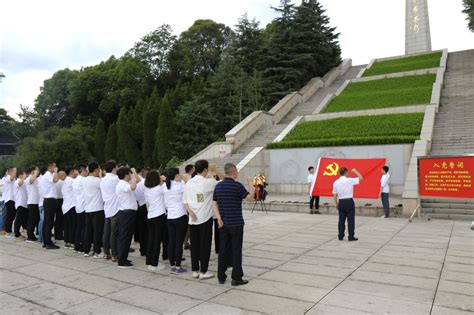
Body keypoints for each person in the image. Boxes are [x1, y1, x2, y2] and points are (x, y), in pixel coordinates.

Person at [213, 163, 254, 286]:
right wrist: (251, 184)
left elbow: (214, 203)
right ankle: (236, 278)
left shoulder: (219, 186)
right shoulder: (237, 186)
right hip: (236, 223)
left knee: (223, 249)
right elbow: (250, 198)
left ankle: (221, 276)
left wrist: (219, 218)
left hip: (223, 223)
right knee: (236, 250)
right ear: (234, 172)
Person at [183, 160, 224, 280]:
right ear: (205, 170)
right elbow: (224, 180)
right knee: (205, 245)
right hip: (205, 218)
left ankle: (195, 270)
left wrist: (191, 213)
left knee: (194, 245)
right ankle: (203, 271)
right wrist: (215, 170)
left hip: (193, 219)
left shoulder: (189, 183)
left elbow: (184, 201)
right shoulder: (208, 183)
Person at [163, 168, 188, 275]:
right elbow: (188, 182)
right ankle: (178, 266)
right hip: (180, 216)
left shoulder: (165, 186)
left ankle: (172, 265)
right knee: (179, 242)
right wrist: (182, 177)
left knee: (172, 242)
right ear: (177, 175)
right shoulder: (181, 186)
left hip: (170, 217)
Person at [115, 167, 140, 268]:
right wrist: (133, 173)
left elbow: (137, 182)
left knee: (127, 237)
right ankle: (122, 261)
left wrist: (133, 174)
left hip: (128, 213)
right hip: (126, 213)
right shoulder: (122, 184)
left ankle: (123, 257)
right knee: (125, 237)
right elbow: (133, 187)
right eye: (129, 174)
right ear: (126, 175)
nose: (131, 176)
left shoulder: (124, 184)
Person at [143, 169, 167, 271]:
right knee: (157, 240)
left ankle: (149, 261)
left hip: (151, 216)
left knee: (151, 240)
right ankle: (154, 264)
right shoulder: (160, 188)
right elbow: (167, 187)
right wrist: (164, 180)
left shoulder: (146, 189)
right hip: (159, 215)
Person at [332, 167, 363, 241]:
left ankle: (340, 235)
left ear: (340, 173)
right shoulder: (350, 180)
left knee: (341, 220)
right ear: (346, 173)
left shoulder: (336, 182)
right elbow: (361, 178)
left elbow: (334, 194)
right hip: (349, 201)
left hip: (341, 202)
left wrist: (336, 204)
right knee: (351, 220)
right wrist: (355, 171)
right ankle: (351, 236)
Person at [82, 161, 105, 258]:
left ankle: (86, 250)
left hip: (88, 209)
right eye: (99, 169)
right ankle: (97, 251)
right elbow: (103, 186)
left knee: (88, 231)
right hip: (97, 209)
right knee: (97, 231)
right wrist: (100, 176)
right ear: (96, 170)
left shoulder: (85, 180)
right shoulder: (97, 181)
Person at [100, 160, 120, 262]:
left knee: (106, 232)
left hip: (107, 207)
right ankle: (114, 254)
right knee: (114, 233)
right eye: (116, 168)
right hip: (115, 208)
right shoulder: (116, 179)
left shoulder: (102, 180)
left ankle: (106, 253)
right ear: (113, 169)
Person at [42, 162, 59, 249]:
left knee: (47, 222)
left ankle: (46, 241)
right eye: (54, 167)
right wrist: (56, 172)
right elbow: (56, 180)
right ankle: (48, 242)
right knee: (49, 222)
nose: (55, 168)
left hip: (48, 200)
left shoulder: (47, 175)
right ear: (50, 167)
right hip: (50, 200)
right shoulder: (48, 175)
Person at [134, 167, 150, 257]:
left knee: (142, 230)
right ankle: (147, 250)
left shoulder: (138, 184)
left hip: (140, 207)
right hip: (147, 208)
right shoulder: (147, 184)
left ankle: (142, 250)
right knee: (147, 231)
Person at [73, 164, 88, 253]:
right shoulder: (84, 180)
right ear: (83, 170)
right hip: (84, 206)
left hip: (78, 205)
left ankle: (77, 245)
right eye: (86, 170)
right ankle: (83, 246)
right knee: (84, 228)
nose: (87, 172)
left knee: (78, 227)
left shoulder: (75, 180)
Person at [62, 166, 77, 249]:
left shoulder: (65, 180)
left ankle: (67, 241)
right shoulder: (72, 181)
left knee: (67, 225)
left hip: (65, 206)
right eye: (75, 171)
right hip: (71, 205)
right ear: (72, 171)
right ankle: (72, 241)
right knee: (72, 225)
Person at [25, 166, 40, 243]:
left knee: (35, 219)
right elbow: (31, 180)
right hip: (32, 202)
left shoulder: (36, 179)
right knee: (31, 220)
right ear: (32, 171)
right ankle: (30, 237)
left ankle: (33, 235)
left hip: (36, 202)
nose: (38, 171)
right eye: (37, 170)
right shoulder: (29, 178)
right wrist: (35, 173)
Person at [182, 164, 195, 250]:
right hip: (190, 206)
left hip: (186, 206)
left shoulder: (184, 178)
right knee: (190, 226)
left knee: (188, 226)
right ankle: (187, 242)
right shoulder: (190, 179)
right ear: (191, 170)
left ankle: (186, 242)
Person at [13, 170, 28, 239]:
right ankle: (17, 234)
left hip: (24, 203)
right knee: (18, 219)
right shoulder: (17, 181)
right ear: (20, 175)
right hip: (20, 203)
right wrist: (23, 177)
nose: (25, 175)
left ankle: (20, 232)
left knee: (22, 219)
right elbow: (19, 183)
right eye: (24, 174)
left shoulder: (24, 181)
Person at [2, 167, 16, 238]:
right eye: (12, 171)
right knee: (10, 215)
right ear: (8, 172)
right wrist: (15, 170)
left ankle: (8, 230)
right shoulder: (7, 177)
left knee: (12, 215)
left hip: (12, 199)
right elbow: (11, 178)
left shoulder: (12, 178)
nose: (13, 172)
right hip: (9, 199)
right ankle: (8, 231)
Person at [54, 171, 66, 240]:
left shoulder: (56, 182)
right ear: (62, 176)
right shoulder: (62, 182)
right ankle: (59, 234)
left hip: (56, 200)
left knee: (57, 218)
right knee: (60, 219)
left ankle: (57, 233)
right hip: (61, 200)